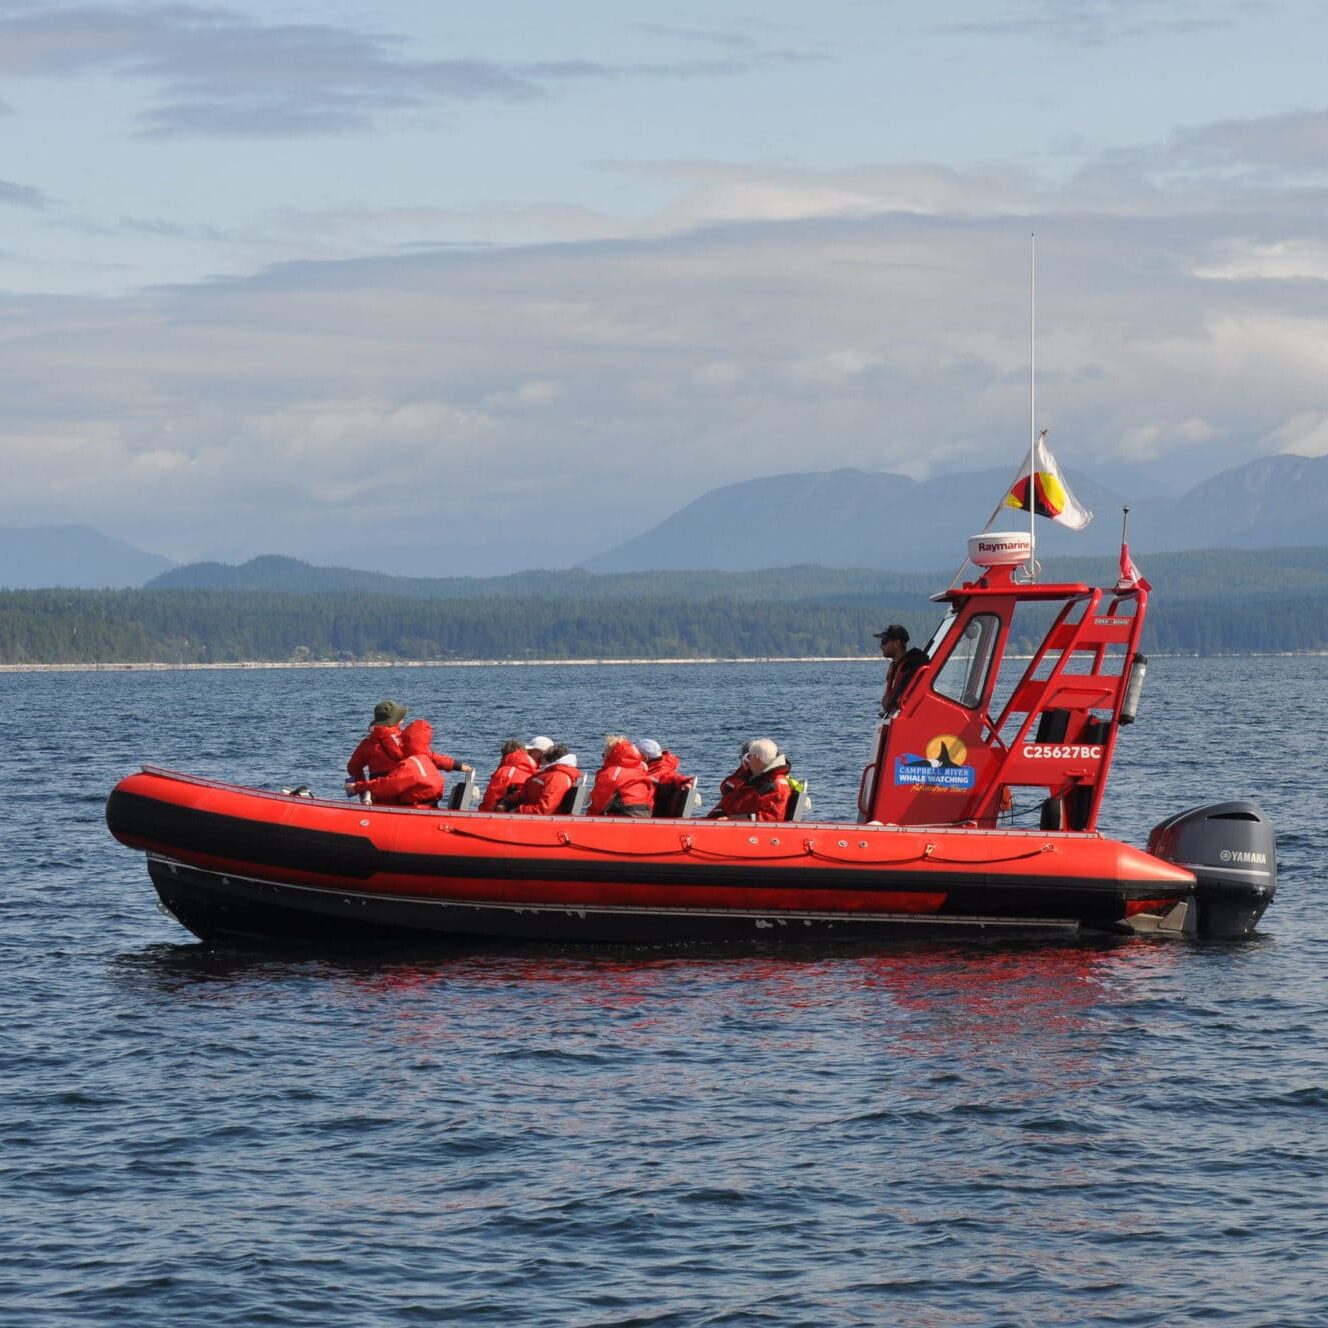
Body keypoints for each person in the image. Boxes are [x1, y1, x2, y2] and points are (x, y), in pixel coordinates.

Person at [344, 719, 445, 807]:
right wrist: (456, 765)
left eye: (404, 740)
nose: (401, 743)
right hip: (419, 802)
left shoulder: (411, 765)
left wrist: (359, 787)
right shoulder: (425, 760)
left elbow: (389, 784)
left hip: (397, 799)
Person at [707, 738, 792, 821]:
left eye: (749, 757)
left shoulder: (776, 784)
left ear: (756, 758)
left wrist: (731, 819)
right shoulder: (756, 779)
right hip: (726, 818)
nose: (747, 761)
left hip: (746, 829)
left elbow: (770, 817)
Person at [588, 736, 655, 817]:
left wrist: (589, 817)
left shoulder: (612, 773)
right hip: (645, 814)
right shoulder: (641, 770)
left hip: (624, 816)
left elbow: (598, 803)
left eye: (603, 755)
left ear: (610, 755)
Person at [345, 699, 408, 782]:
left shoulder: (367, 743)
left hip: (377, 789)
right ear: (396, 721)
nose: (403, 720)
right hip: (404, 787)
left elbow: (353, 768)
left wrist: (363, 788)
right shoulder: (405, 739)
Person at [875, 624, 928, 717]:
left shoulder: (912, 666)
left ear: (897, 643)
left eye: (884, 641)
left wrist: (890, 702)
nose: (881, 646)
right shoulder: (896, 666)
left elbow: (909, 698)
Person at [513, 745, 580, 815]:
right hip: (529, 812)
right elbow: (525, 793)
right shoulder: (548, 774)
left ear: (547, 759)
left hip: (541, 820)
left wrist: (516, 811)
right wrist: (508, 801)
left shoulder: (557, 778)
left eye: (542, 757)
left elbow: (544, 809)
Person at [479, 739, 538, 812]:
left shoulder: (506, 771)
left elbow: (492, 796)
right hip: (528, 809)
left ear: (504, 755)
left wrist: (483, 813)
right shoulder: (534, 769)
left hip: (509, 811)